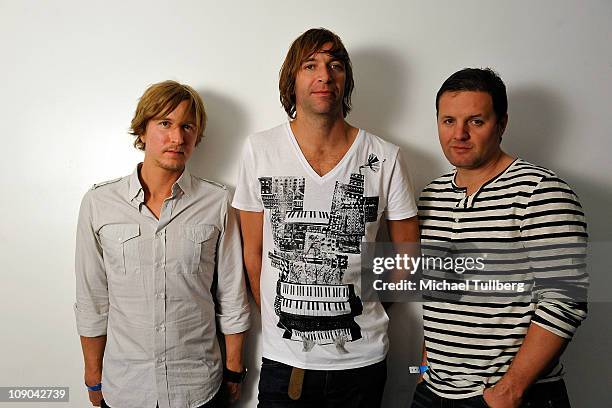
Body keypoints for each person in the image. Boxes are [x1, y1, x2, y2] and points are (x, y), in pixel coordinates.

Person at [232, 28, 420, 407]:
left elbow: (407, 254)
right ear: (292, 79)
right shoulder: (260, 150)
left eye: (335, 65)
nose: (325, 75)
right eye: (311, 65)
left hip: (363, 362)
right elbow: (251, 254)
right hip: (286, 361)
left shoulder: (385, 156)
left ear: (345, 80)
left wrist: (369, 305)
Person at [412, 68, 588, 408]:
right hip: (433, 392)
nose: (459, 134)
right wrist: (423, 369)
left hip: (507, 397)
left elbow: (566, 300)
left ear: (501, 124)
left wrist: (510, 390)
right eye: (448, 121)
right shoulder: (431, 196)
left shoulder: (541, 192)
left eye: (475, 121)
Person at [74, 80, 250, 408]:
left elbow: (232, 295)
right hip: (124, 387)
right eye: (165, 124)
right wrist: (92, 373)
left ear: (197, 137)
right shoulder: (99, 203)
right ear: (142, 131)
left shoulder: (218, 202)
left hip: (198, 387)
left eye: (187, 126)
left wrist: (234, 368)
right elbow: (92, 300)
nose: (177, 137)